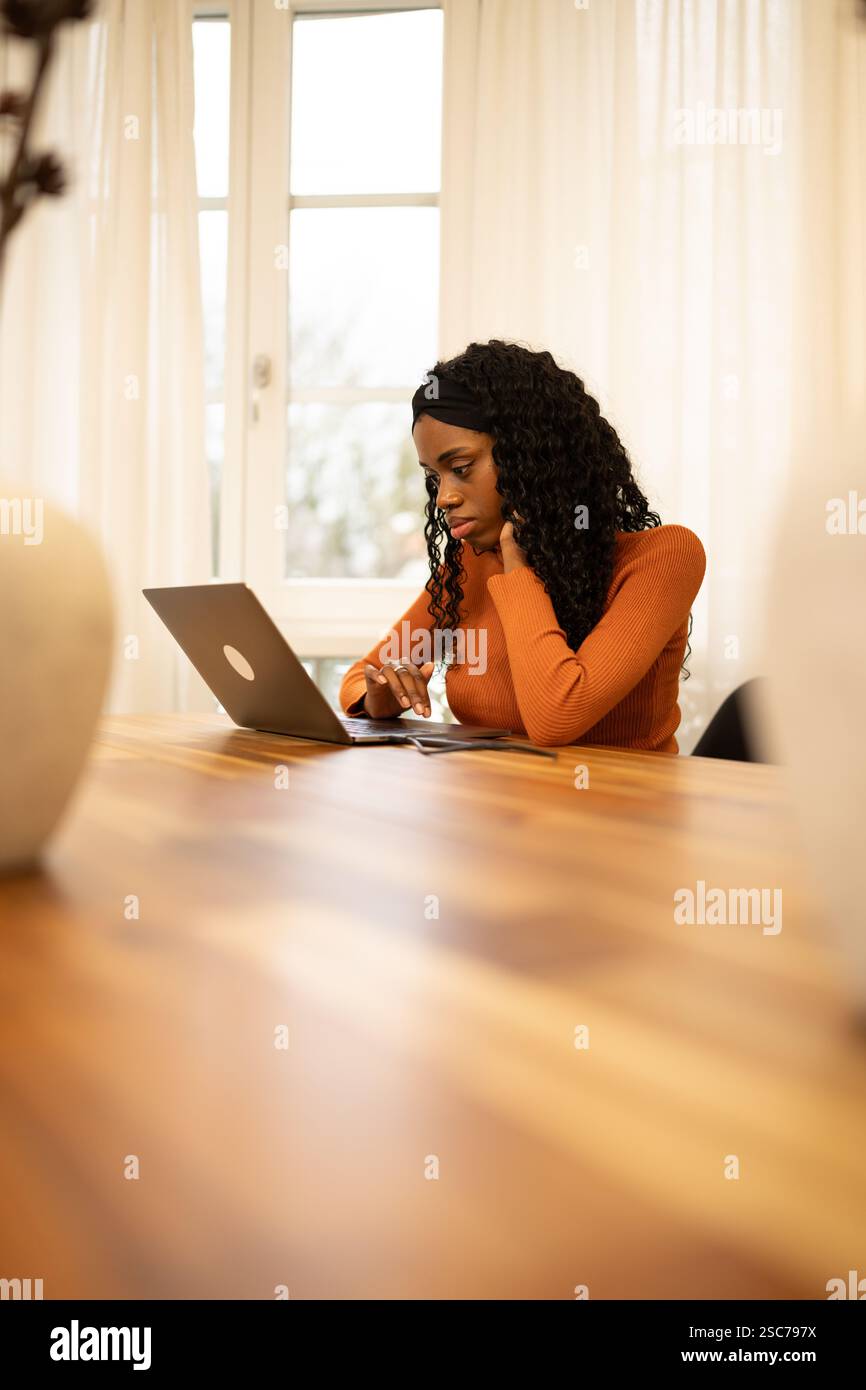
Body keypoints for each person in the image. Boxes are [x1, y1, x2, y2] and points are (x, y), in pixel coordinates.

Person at [339, 340, 705, 751]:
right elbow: (363, 675)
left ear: (530, 457)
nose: (444, 498)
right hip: (502, 806)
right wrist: (383, 695)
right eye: (434, 477)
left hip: (620, 808)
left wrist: (518, 566)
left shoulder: (663, 557)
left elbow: (557, 718)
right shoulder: (470, 565)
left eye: (460, 468)